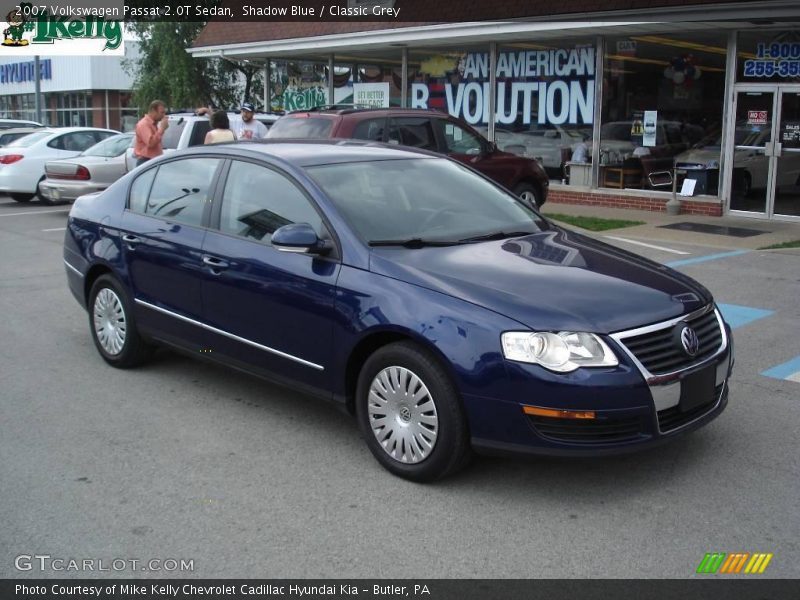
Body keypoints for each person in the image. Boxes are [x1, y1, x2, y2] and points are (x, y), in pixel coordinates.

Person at [134, 100, 168, 167]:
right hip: (145, 161)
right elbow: (151, 143)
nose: (163, 115)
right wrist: (162, 129)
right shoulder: (143, 124)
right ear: (153, 110)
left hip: (153, 160)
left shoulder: (153, 124)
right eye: (162, 112)